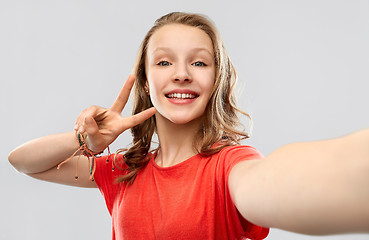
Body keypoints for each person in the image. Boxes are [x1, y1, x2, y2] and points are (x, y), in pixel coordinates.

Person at [8, 12, 369, 240]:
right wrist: (85, 139)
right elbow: (24, 161)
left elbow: (276, 182)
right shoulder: (123, 169)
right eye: (164, 62)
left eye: (199, 64)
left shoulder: (230, 166)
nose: (181, 74)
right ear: (146, 82)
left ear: (217, 80)